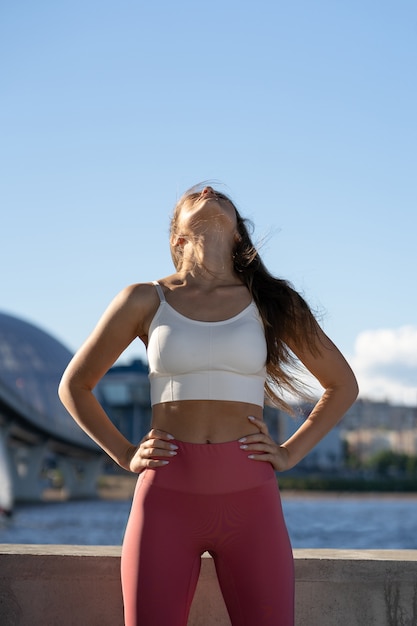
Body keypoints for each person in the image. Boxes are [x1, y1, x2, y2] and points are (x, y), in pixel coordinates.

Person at [58, 184, 358, 626]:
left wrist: (290, 452)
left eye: (220, 196)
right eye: (194, 196)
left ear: (238, 235)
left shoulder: (272, 302)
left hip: (251, 498)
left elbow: (342, 385)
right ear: (177, 237)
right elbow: (75, 385)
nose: (208, 190)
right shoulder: (144, 299)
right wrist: (125, 454)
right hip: (165, 495)